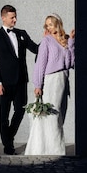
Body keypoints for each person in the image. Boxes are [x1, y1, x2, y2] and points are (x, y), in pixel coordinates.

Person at [0, 4, 38, 155]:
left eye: (15, 17)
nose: (15, 20)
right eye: (12, 17)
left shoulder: (21, 33)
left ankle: (8, 137)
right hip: (4, 82)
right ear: (3, 18)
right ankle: (8, 145)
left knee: (21, 110)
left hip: (21, 80)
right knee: (4, 115)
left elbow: (36, 49)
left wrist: (51, 39)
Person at [24, 13, 75, 156]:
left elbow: (70, 64)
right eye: (47, 25)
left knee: (58, 114)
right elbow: (40, 64)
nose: (48, 27)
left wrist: (71, 42)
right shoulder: (46, 41)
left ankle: (54, 148)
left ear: (58, 24)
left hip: (62, 81)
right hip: (50, 80)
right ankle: (47, 149)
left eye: (51, 24)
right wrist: (38, 84)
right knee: (49, 114)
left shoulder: (64, 40)